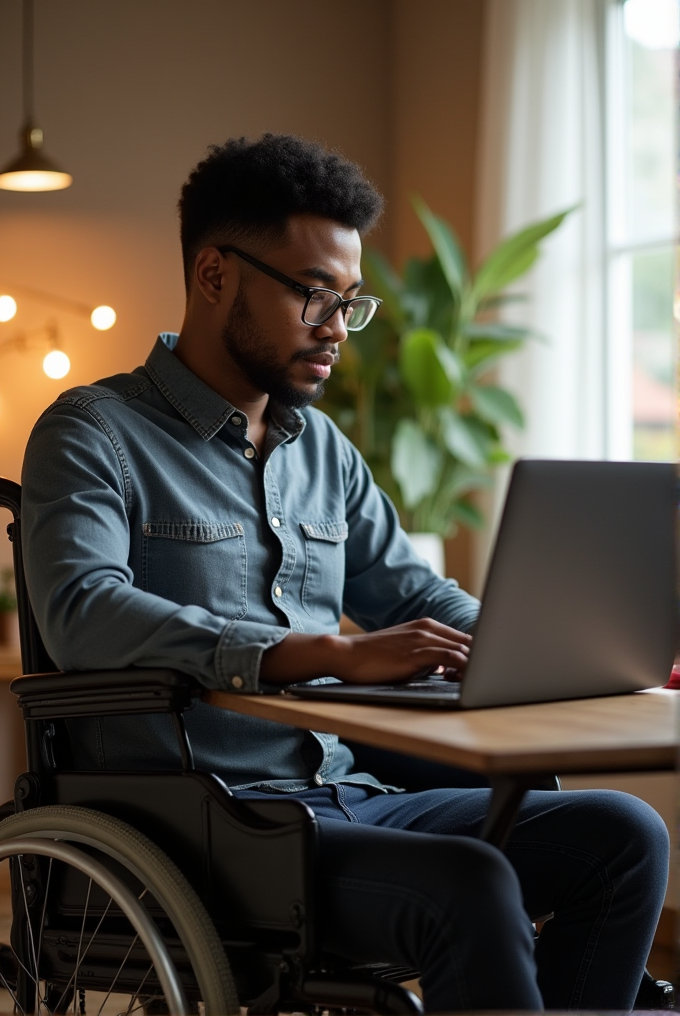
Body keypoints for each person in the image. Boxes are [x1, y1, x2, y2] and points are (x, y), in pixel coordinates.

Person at [21, 134, 668, 1011]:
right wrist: (313, 651)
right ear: (215, 275)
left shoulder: (319, 447)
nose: (335, 329)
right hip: (206, 822)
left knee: (623, 833)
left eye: (348, 303)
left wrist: (550, 645)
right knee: (470, 883)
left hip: (346, 793)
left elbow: (413, 592)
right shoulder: (93, 431)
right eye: (315, 295)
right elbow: (81, 612)